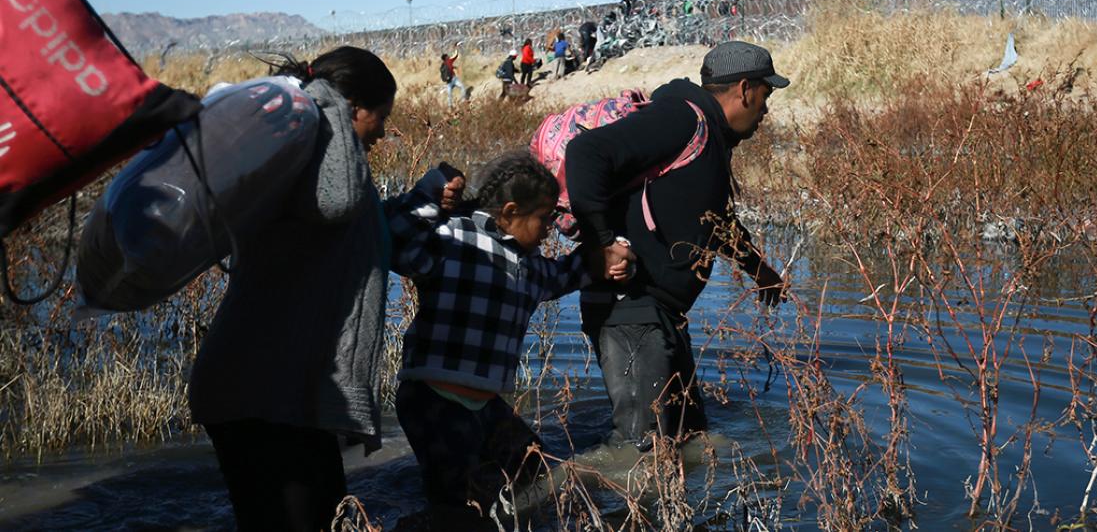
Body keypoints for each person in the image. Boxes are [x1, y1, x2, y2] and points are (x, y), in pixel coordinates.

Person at [188, 46, 420, 531]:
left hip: (282, 392)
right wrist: (327, 100)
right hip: (259, 391)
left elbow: (356, 225)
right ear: (353, 108)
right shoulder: (306, 161)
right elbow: (339, 204)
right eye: (380, 117)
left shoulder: (313, 166)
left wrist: (423, 196)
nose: (381, 131)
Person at [565, 40, 788, 451]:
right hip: (629, 309)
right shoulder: (680, 118)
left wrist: (760, 270)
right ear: (744, 89)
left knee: (688, 440)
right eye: (765, 95)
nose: (765, 109)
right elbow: (585, 152)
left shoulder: (710, 138)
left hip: (661, 312)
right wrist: (603, 243)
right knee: (640, 457)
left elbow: (714, 220)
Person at [387, 152, 628, 521]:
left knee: (538, 472)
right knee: (457, 508)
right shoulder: (455, 239)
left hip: (483, 406)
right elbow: (394, 236)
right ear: (512, 211)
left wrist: (606, 258)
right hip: (433, 401)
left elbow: (564, 274)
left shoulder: (528, 265)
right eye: (544, 218)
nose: (550, 228)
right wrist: (430, 192)